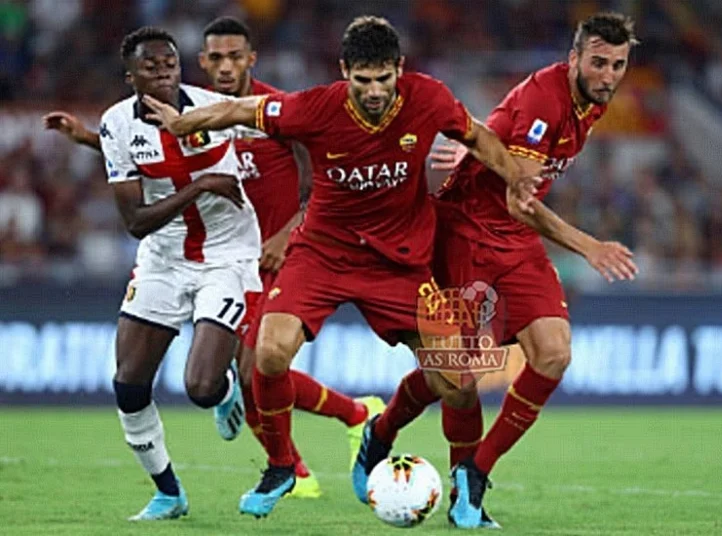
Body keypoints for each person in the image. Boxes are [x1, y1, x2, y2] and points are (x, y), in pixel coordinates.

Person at [144, 15, 536, 519]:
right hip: (324, 253)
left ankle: (463, 494)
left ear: (399, 69)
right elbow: (242, 109)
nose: (374, 91)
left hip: (400, 261)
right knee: (269, 350)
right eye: (362, 80)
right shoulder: (315, 107)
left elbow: (479, 137)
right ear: (344, 71)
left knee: (455, 382)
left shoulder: (430, 98)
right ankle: (282, 467)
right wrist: (183, 123)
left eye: (383, 79)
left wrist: (513, 179)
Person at [43, 16, 385, 500]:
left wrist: (292, 230)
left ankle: (292, 464)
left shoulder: (259, 110)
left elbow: (324, 158)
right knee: (241, 373)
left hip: (261, 252)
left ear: (251, 59)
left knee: (251, 369)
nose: (225, 68)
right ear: (202, 62)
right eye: (216, 59)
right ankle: (339, 425)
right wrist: (87, 139)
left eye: (234, 57)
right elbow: (147, 153)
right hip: (199, 254)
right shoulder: (195, 112)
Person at [427, 12, 640, 528]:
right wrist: (587, 245)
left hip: (515, 240)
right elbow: (520, 199)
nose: (608, 75)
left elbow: (523, 209)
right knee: (454, 378)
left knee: (553, 353)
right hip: (467, 230)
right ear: (574, 60)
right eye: (598, 62)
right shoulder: (545, 101)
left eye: (617, 65)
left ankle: (473, 475)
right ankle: (380, 434)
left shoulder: (590, 105)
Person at [82, 26, 263, 521]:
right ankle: (168, 492)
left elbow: (295, 131)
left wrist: (304, 199)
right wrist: (203, 184)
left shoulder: (214, 107)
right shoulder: (117, 125)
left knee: (201, 389)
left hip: (227, 257)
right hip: (162, 258)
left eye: (170, 64)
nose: (163, 72)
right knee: (129, 382)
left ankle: (225, 390)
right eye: (150, 67)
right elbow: (136, 222)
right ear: (131, 76)